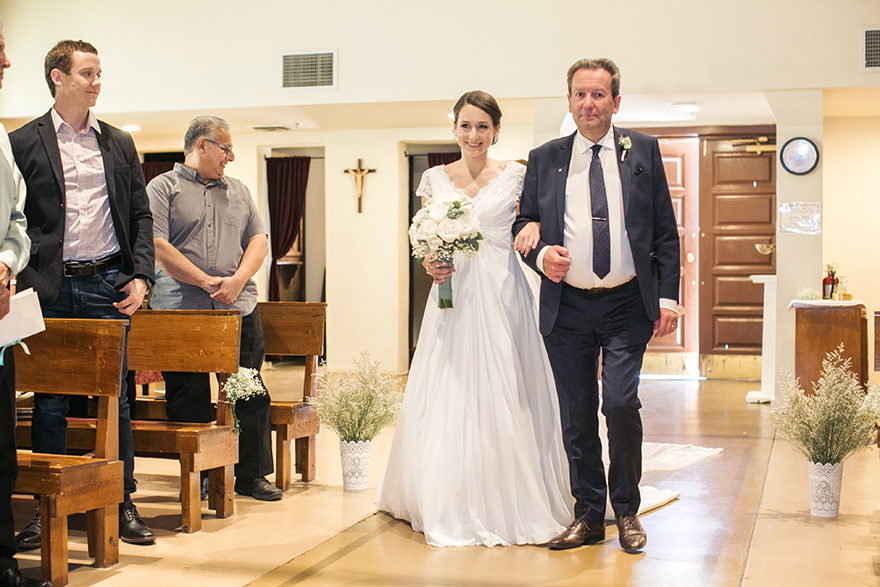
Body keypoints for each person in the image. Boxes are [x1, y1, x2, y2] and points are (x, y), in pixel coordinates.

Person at [376, 91, 573, 547]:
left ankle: (513, 495)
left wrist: (533, 226)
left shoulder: (517, 175)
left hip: (504, 295)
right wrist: (430, 262)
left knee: (508, 387)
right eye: (466, 125)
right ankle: (447, 495)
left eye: (483, 126)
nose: (474, 135)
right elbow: (425, 240)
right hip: (452, 298)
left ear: (496, 131)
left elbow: (534, 219)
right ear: (454, 129)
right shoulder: (433, 179)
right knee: (449, 389)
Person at [512, 58, 680, 553]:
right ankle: (588, 514)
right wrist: (541, 255)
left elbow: (665, 232)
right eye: (580, 95)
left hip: (627, 302)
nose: (589, 104)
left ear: (615, 102)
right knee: (578, 414)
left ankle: (626, 509)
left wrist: (668, 298)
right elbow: (524, 223)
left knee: (621, 403)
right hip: (566, 306)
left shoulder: (643, 149)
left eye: (599, 95)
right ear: (569, 101)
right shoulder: (544, 157)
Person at [9, 39, 156, 547]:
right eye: (87, 73)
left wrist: (142, 276)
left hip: (105, 285)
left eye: (99, 74)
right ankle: (44, 508)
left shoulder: (117, 142)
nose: (97, 82)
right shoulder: (22, 142)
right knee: (49, 400)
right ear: (58, 77)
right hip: (48, 287)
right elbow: (15, 217)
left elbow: (139, 214)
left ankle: (122, 500)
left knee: (116, 400)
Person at [146, 116, 280, 502]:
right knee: (186, 393)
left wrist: (236, 280)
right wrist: (205, 281)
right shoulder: (162, 188)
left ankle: (250, 475)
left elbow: (259, 240)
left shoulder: (239, 190)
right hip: (181, 308)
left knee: (249, 389)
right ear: (201, 145)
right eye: (226, 148)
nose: (231, 157)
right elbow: (157, 245)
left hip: (237, 307)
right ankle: (201, 474)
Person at [0, 21, 51, 587]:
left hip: (0, 313)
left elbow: (18, 218)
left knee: (1, 449)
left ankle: (4, 559)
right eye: (0, 51)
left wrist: (7, 263)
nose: (9, 62)